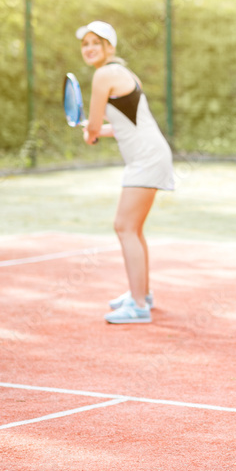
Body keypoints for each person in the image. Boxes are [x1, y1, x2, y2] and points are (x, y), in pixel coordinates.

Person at [76, 20, 174, 324]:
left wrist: (91, 132)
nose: (90, 48)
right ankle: (141, 293)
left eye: (96, 42)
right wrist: (97, 132)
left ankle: (139, 305)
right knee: (133, 228)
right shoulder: (122, 73)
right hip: (149, 154)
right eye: (85, 44)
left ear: (110, 47)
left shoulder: (104, 74)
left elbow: (93, 125)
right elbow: (123, 126)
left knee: (124, 226)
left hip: (146, 158)